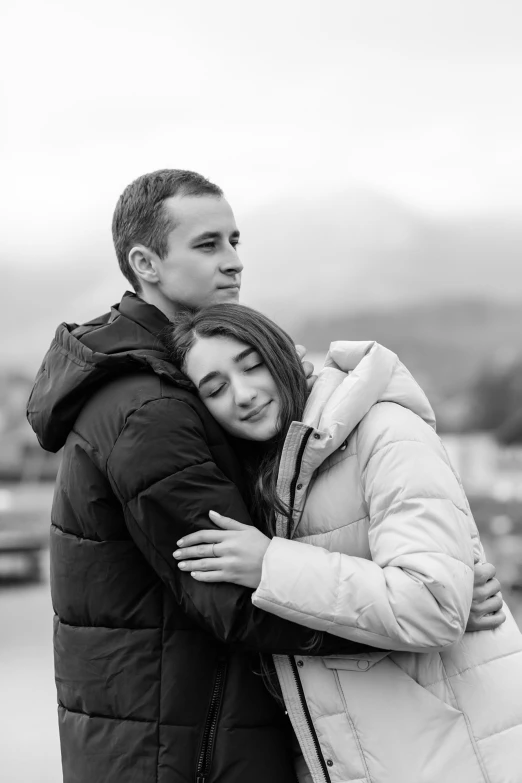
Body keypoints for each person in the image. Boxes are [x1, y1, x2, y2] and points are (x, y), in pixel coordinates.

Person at [27, 169, 503, 783]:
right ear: (145, 263)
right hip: (181, 744)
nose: (233, 263)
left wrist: (435, 576)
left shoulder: (179, 373)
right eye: (208, 245)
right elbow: (237, 595)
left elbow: (280, 532)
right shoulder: (150, 405)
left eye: (235, 241)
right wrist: (438, 614)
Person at [169, 303, 522, 783]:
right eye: (216, 388)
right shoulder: (269, 478)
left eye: (253, 366)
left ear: (288, 355)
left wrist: (270, 566)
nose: (244, 394)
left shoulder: (386, 432)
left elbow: (433, 605)